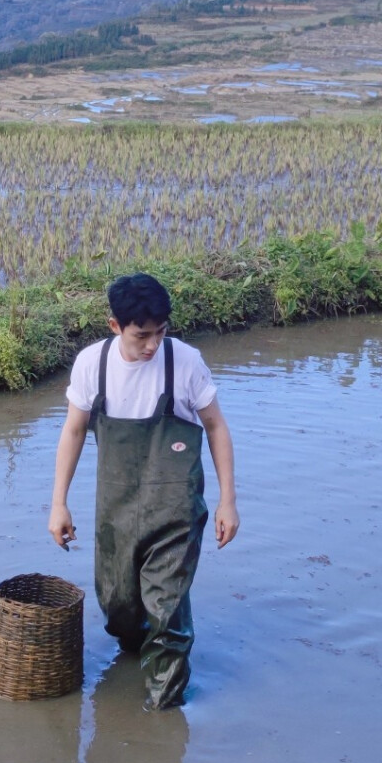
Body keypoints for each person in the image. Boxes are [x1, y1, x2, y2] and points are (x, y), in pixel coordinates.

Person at [48, 273, 239, 709]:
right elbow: (74, 431)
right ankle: (137, 655)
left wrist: (228, 501)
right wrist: (58, 503)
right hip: (116, 512)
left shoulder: (185, 363)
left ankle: (163, 714)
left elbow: (215, 426)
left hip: (175, 513)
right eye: (141, 336)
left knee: (167, 614)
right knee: (120, 609)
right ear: (115, 325)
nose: (152, 345)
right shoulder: (92, 364)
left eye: (160, 332)